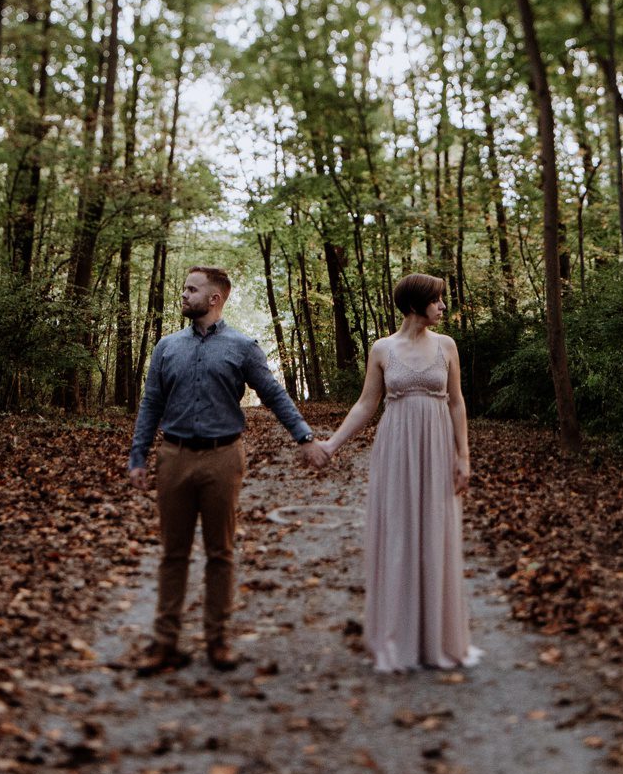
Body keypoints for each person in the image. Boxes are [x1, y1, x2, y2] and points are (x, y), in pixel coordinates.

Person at [126, 266, 327, 674]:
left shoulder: (242, 346)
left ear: (214, 299)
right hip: (174, 456)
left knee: (221, 552)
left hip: (223, 456)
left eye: (191, 289)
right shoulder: (166, 347)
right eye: (184, 287)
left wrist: (305, 438)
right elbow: (150, 404)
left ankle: (217, 640)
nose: (183, 295)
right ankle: (165, 643)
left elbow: (273, 394)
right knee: (173, 553)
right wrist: (138, 456)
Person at [317, 272, 483, 672]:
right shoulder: (382, 349)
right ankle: (398, 637)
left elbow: (457, 403)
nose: (443, 306)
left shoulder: (446, 345)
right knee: (399, 534)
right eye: (437, 299)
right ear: (415, 304)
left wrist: (464, 457)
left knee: (436, 531)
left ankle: (437, 639)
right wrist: (331, 444)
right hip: (396, 448)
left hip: (438, 445)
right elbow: (365, 405)